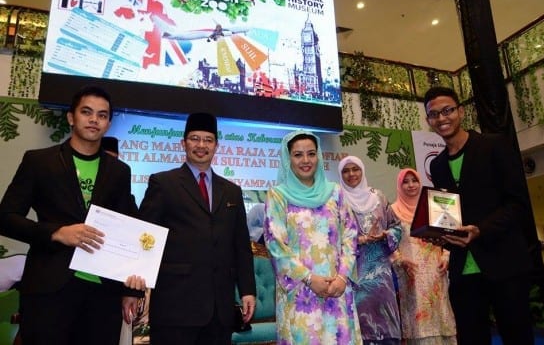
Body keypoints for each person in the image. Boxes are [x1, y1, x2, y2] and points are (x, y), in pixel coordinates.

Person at [0, 85, 145, 345]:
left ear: (108, 123)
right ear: (71, 117)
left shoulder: (119, 171)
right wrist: (56, 232)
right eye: (86, 112)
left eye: (102, 115)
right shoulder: (39, 161)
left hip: (102, 293)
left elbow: (128, 228)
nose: (94, 120)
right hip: (49, 289)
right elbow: (6, 217)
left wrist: (129, 288)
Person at [424, 86, 534, 345]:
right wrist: (441, 234)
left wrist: (480, 230)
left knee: (518, 336)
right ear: (429, 121)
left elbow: (518, 205)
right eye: (434, 114)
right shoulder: (437, 165)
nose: (442, 118)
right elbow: (450, 214)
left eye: (447, 110)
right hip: (464, 270)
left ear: (460, 111)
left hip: (504, 262)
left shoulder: (494, 145)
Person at [138, 112, 256, 345]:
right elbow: (144, 237)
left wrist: (247, 290)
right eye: (194, 138)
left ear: (216, 145)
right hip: (176, 307)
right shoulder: (163, 183)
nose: (201, 145)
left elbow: (241, 246)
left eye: (208, 140)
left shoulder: (231, 191)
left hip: (219, 310)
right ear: (183, 143)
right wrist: (135, 291)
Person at [263, 130, 362, 344]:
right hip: (299, 296)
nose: (306, 160)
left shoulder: (335, 192)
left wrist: (342, 278)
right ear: (287, 158)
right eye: (298, 155)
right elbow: (275, 245)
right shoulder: (277, 195)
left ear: (318, 156)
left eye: (311, 153)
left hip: (337, 291)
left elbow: (350, 236)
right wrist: (309, 279)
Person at [338, 155, 402, 345]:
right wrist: (360, 239)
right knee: (359, 324)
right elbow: (333, 237)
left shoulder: (378, 197)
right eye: (346, 171)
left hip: (381, 276)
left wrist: (385, 235)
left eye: (355, 169)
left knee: (386, 324)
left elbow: (397, 226)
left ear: (362, 170)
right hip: (354, 275)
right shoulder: (338, 201)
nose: (351, 174)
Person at [391, 168, 457, 344]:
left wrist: (446, 258)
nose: (411, 185)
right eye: (406, 181)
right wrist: (399, 260)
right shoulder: (392, 211)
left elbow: (448, 236)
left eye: (414, 180)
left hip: (436, 273)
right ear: (399, 185)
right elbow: (389, 245)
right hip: (412, 276)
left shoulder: (432, 208)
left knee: (442, 320)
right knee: (419, 327)